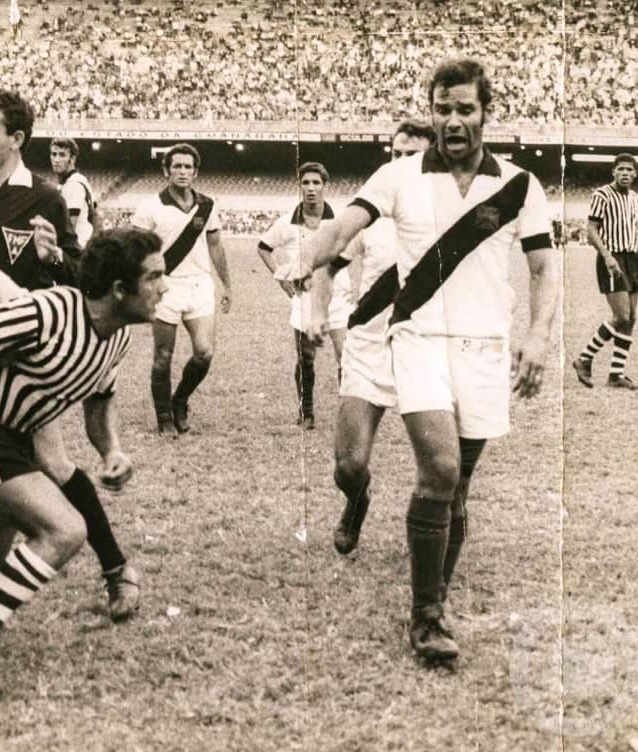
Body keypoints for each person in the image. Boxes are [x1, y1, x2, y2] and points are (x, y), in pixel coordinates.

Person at [303, 59, 559, 662]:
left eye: (465, 109)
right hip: (416, 340)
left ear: (485, 113)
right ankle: (426, 618)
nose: (452, 121)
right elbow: (342, 230)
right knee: (439, 469)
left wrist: (538, 336)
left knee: (456, 488)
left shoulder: (520, 185)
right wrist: (305, 259)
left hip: (484, 348)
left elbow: (544, 269)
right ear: (432, 112)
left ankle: (433, 595)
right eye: (442, 109)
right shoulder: (399, 175)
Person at [0, 227, 166, 697]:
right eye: (155, 276)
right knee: (65, 530)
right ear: (119, 289)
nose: (165, 287)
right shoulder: (47, 311)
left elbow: (98, 405)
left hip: (13, 440)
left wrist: (112, 450)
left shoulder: (117, 336)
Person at [0, 89, 140, 621]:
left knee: (51, 462)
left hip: (20, 354)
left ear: (17, 139)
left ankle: (115, 568)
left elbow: (83, 278)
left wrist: (54, 259)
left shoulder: (45, 198)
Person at [315, 120, 437, 555]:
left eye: (412, 155)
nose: (400, 162)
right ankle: (357, 501)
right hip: (368, 345)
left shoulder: (450, 216)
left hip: (425, 349)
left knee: (441, 466)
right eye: (396, 153)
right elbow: (327, 267)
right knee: (348, 466)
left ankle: (435, 542)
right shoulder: (371, 214)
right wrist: (318, 313)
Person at [130, 143, 232, 435]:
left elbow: (215, 245)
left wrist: (227, 284)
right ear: (167, 170)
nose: (183, 172)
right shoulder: (150, 206)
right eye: (177, 166)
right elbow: (135, 249)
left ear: (195, 172)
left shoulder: (207, 205)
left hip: (199, 285)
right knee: (163, 356)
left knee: (204, 352)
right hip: (165, 287)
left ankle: (180, 401)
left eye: (188, 167)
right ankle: (164, 417)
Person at [256, 161, 347, 429]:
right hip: (305, 298)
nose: (310, 188)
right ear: (300, 186)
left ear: (325, 186)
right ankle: (306, 413)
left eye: (316, 182)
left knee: (347, 358)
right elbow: (263, 247)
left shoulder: (340, 219)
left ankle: (347, 414)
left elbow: (358, 248)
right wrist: (281, 277)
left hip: (338, 297)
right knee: (306, 358)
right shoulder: (287, 221)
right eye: (305, 182)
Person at [572, 154, 638, 390]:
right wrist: (607, 257)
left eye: (629, 170)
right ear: (613, 171)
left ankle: (616, 375)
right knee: (622, 316)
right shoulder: (602, 194)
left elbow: (633, 235)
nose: (625, 173)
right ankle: (584, 358)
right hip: (612, 259)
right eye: (621, 169)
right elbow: (591, 230)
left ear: (635, 174)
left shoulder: (635, 198)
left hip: (631, 259)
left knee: (631, 318)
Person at [49, 136, 98, 249]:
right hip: (83, 247)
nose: (56, 159)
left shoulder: (73, 185)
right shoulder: (79, 179)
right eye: (54, 154)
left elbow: (69, 229)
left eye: (62, 155)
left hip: (76, 250)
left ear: (72, 159)